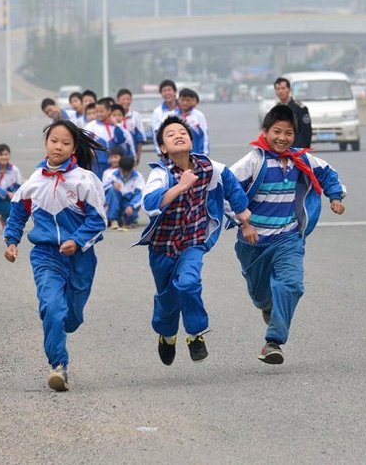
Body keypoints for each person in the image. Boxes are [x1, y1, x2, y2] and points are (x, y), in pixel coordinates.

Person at [229, 103, 346, 365]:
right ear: (266, 131)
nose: (282, 138)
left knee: (291, 284)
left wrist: (335, 197)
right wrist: (244, 224)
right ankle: (268, 308)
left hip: (287, 238)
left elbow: (327, 173)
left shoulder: (301, 159)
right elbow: (227, 189)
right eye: (277, 132)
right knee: (261, 296)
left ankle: (274, 342)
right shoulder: (254, 160)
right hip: (254, 242)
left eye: (289, 133)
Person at [136, 116, 256, 365]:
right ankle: (167, 335)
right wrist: (180, 186)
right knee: (167, 297)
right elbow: (149, 203)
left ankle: (195, 333)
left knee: (189, 283)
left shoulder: (208, 166)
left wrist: (243, 214)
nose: (178, 135)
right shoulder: (161, 173)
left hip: (193, 242)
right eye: (170, 134)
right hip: (163, 247)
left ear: (191, 140)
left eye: (183, 132)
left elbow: (231, 183)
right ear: (163, 148)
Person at [3, 120, 107, 392]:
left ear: (73, 148)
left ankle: (65, 322)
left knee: (70, 317)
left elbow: (98, 221)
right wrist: (12, 241)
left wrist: (77, 240)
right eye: (53, 141)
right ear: (46, 143)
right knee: (52, 307)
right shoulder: (32, 182)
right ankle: (58, 366)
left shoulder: (85, 180)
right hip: (46, 255)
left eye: (65, 142)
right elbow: (17, 215)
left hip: (80, 257)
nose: (58, 146)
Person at [85, 97, 131, 179]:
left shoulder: (116, 126)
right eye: (97, 112)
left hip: (114, 164)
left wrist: (116, 125)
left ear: (109, 110)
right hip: (97, 164)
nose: (99, 114)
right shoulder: (91, 126)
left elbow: (121, 140)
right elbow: (85, 142)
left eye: (101, 111)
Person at [103, 154, 145, 230]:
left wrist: (131, 206)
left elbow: (140, 195)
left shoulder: (138, 177)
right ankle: (113, 220)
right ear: (119, 167)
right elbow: (102, 190)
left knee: (129, 219)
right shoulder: (112, 175)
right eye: (123, 171)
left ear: (132, 168)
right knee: (113, 190)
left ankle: (129, 219)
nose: (125, 173)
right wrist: (112, 184)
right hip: (114, 204)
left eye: (127, 171)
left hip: (129, 203)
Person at [274, 77, 312, 148]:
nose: (280, 91)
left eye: (283, 88)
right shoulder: (275, 109)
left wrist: (301, 150)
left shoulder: (300, 108)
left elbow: (306, 131)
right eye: (278, 89)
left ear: (289, 89)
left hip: (296, 148)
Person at [149, 79, 181, 154]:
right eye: (164, 91)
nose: (167, 93)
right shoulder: (157, 112)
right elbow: (155, 133)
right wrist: (160, 152)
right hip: (168, 153)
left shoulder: (183, 109)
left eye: (169, 90)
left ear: (175, 92)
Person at [116, 88, 144, 164]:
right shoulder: (114, 116)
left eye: (128, 99)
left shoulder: (136, 116)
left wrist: (138, 157)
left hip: (131, 154)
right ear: (118, 100)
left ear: (131, 100)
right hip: (117, 154)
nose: (126, 101)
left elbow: (140, 139)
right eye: (123, 99)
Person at [178, 87, 210, 155]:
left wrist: (204, 154)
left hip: (195, 153)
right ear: (178, 100)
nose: (185, 103)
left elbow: (204, 135)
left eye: (187, 100)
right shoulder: (173, 115)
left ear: (192, 101)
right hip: (178, 155)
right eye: (182, 100)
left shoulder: (198, 115)